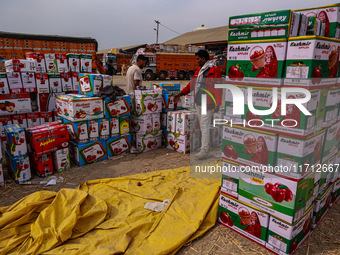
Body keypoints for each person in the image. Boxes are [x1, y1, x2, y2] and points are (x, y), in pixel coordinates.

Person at [174, 50, 222, 160]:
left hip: (208, 103)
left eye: (198, 59)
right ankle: (204, 147)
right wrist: (180, 94)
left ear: (204, 58)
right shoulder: (199, 71)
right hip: (199, 102)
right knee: (202, 126)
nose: (197, 61)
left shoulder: (214, 70)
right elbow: (192, 85)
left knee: (204, 126)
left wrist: (217, 103)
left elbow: (219, 88)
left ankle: (204, 151)